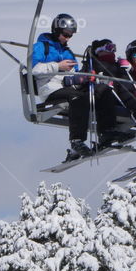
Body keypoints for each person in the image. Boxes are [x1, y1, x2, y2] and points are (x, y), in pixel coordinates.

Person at [31, 13, 126, 161]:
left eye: (70, 35)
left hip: (68, 87)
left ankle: (107, 131)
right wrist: (57, 66)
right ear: (56, 30)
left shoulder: (67, 51)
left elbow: (73, 75)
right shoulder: (42, 47)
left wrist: (84, 77)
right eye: (65, 34)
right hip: (50, 89)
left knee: (103, 90)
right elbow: (34, 69)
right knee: (78, 97)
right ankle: (77, 140)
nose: (67, 38)